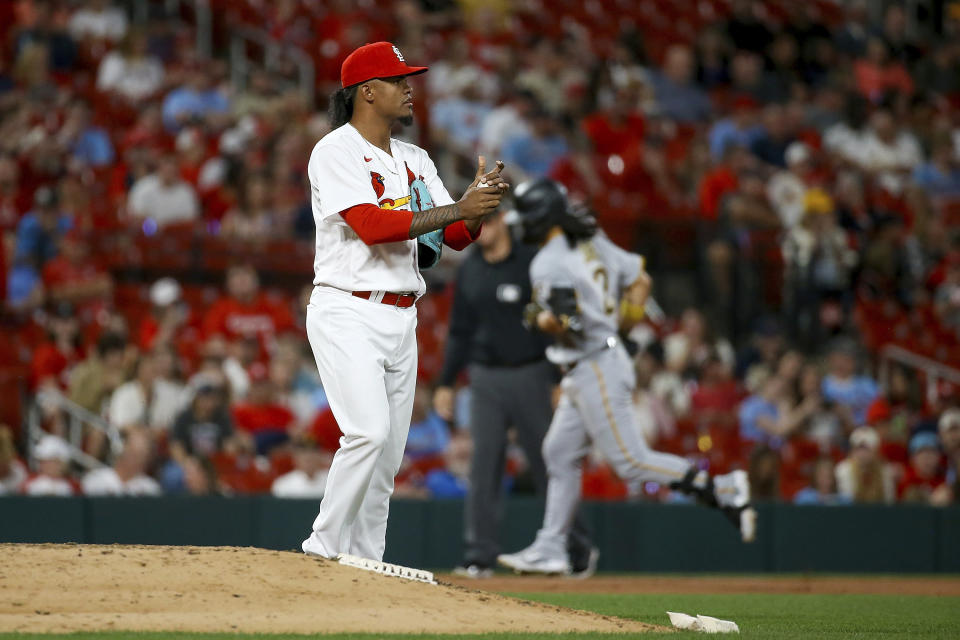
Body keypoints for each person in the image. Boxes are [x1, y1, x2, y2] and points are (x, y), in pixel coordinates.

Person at [299, 41, 507, 562]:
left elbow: (455, 236)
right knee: (366, 432)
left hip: (402, 315)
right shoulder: (334, 150)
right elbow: (370, 226)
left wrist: (475, 206)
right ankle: (321, 546)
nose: (409, 87)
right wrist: (457, 208)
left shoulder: (415, 158)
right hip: (347, 306)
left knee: (387, 460)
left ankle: (367, 561)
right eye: (398, 80)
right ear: (366, 92)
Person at [498, 179, 755, 576]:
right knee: (559, 452)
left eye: (527, 218)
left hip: (593, 363)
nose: (522, 226)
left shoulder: (547, 261)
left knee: (631, 461)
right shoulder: (590, 237)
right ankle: (551, 547)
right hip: (599, 358)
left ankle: (724, 490)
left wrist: (540, 319)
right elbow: (641, 279)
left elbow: (568, 324)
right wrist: (627, 318)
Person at [433, 209, 596, 579]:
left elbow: (557, 321)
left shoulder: (531, 263)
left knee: (549, 462)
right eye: (475, 223)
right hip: (485, 377)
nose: (480, 229)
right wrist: (445, 382)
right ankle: (479, 555)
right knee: (483, 466)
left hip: (532, 373)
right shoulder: (470, 269)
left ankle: (576, 547)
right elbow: (458, 331)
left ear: (503, 219)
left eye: (486, 221)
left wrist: (559, 377)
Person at [81, 430, 161, 496]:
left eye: (141, 455)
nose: (135, 459)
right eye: (132, 452)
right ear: (122, 450)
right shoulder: (96, 479)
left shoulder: (150, 489)